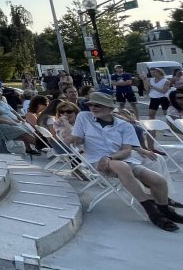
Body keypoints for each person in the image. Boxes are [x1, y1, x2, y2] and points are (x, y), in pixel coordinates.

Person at [69, 92, 183, 231]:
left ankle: (165, 211)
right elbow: (79, 139)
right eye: (91, 104)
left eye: (98, 105)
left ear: (109, 108)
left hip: (120, 159)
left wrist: (110, 157)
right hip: (96, 161)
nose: (93, 107)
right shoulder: (84, 117)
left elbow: (127, 150)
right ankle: (152, 212)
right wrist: (73, 139)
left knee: (159, 181)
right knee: (122, 166)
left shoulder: (124, 125)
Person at [0, 90, 42, 154]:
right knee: (21, 132)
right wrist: (8, 122)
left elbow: (5, 114)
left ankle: (32, 147)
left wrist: (15, 120)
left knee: (25, 128)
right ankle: (40, 145)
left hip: (7, 122)